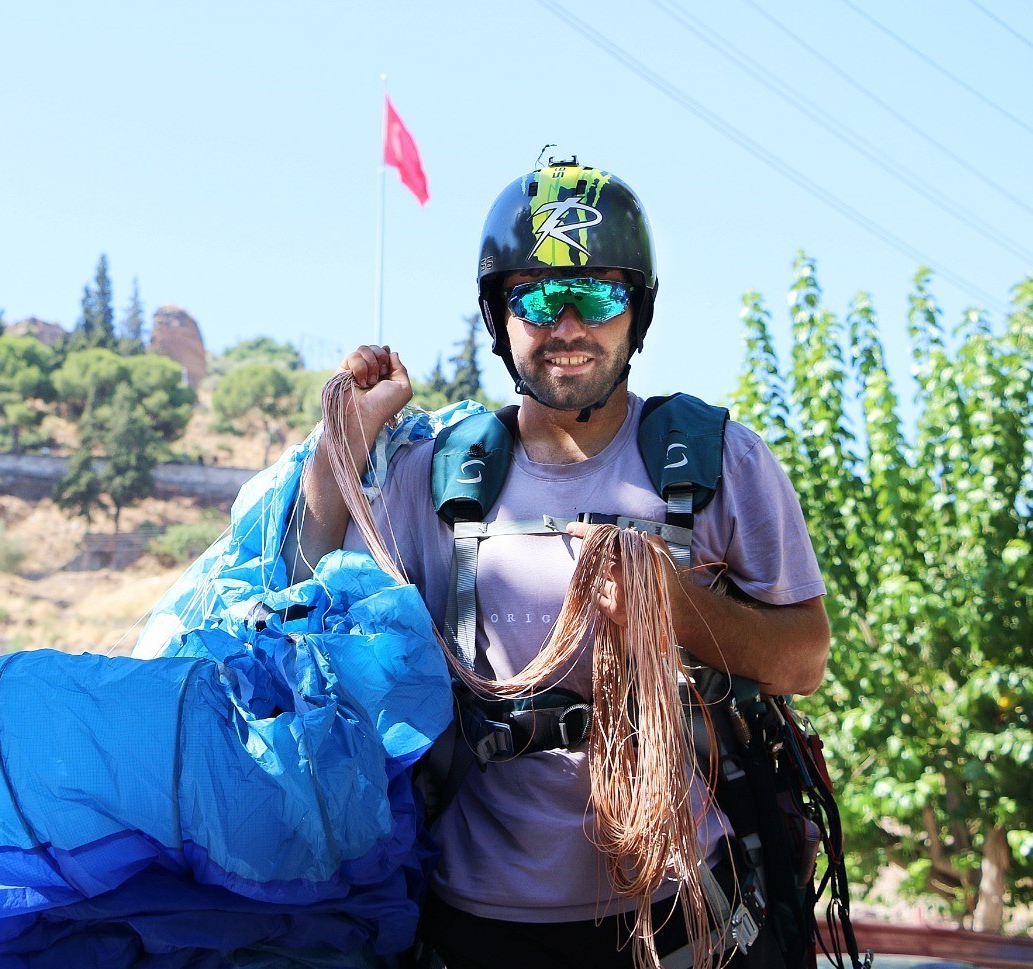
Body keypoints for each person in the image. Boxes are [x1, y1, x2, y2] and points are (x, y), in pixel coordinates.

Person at [291, 161, 830, 969]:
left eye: (600, 297)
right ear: (499, 317)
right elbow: (306, 605)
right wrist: (344, 442)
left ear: (636, 312)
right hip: (472, 925)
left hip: (675, 918)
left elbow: (804, 656)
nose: (568, 325)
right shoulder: (435, 477)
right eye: (537, 299)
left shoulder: (719, 462)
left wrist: (674, 605)